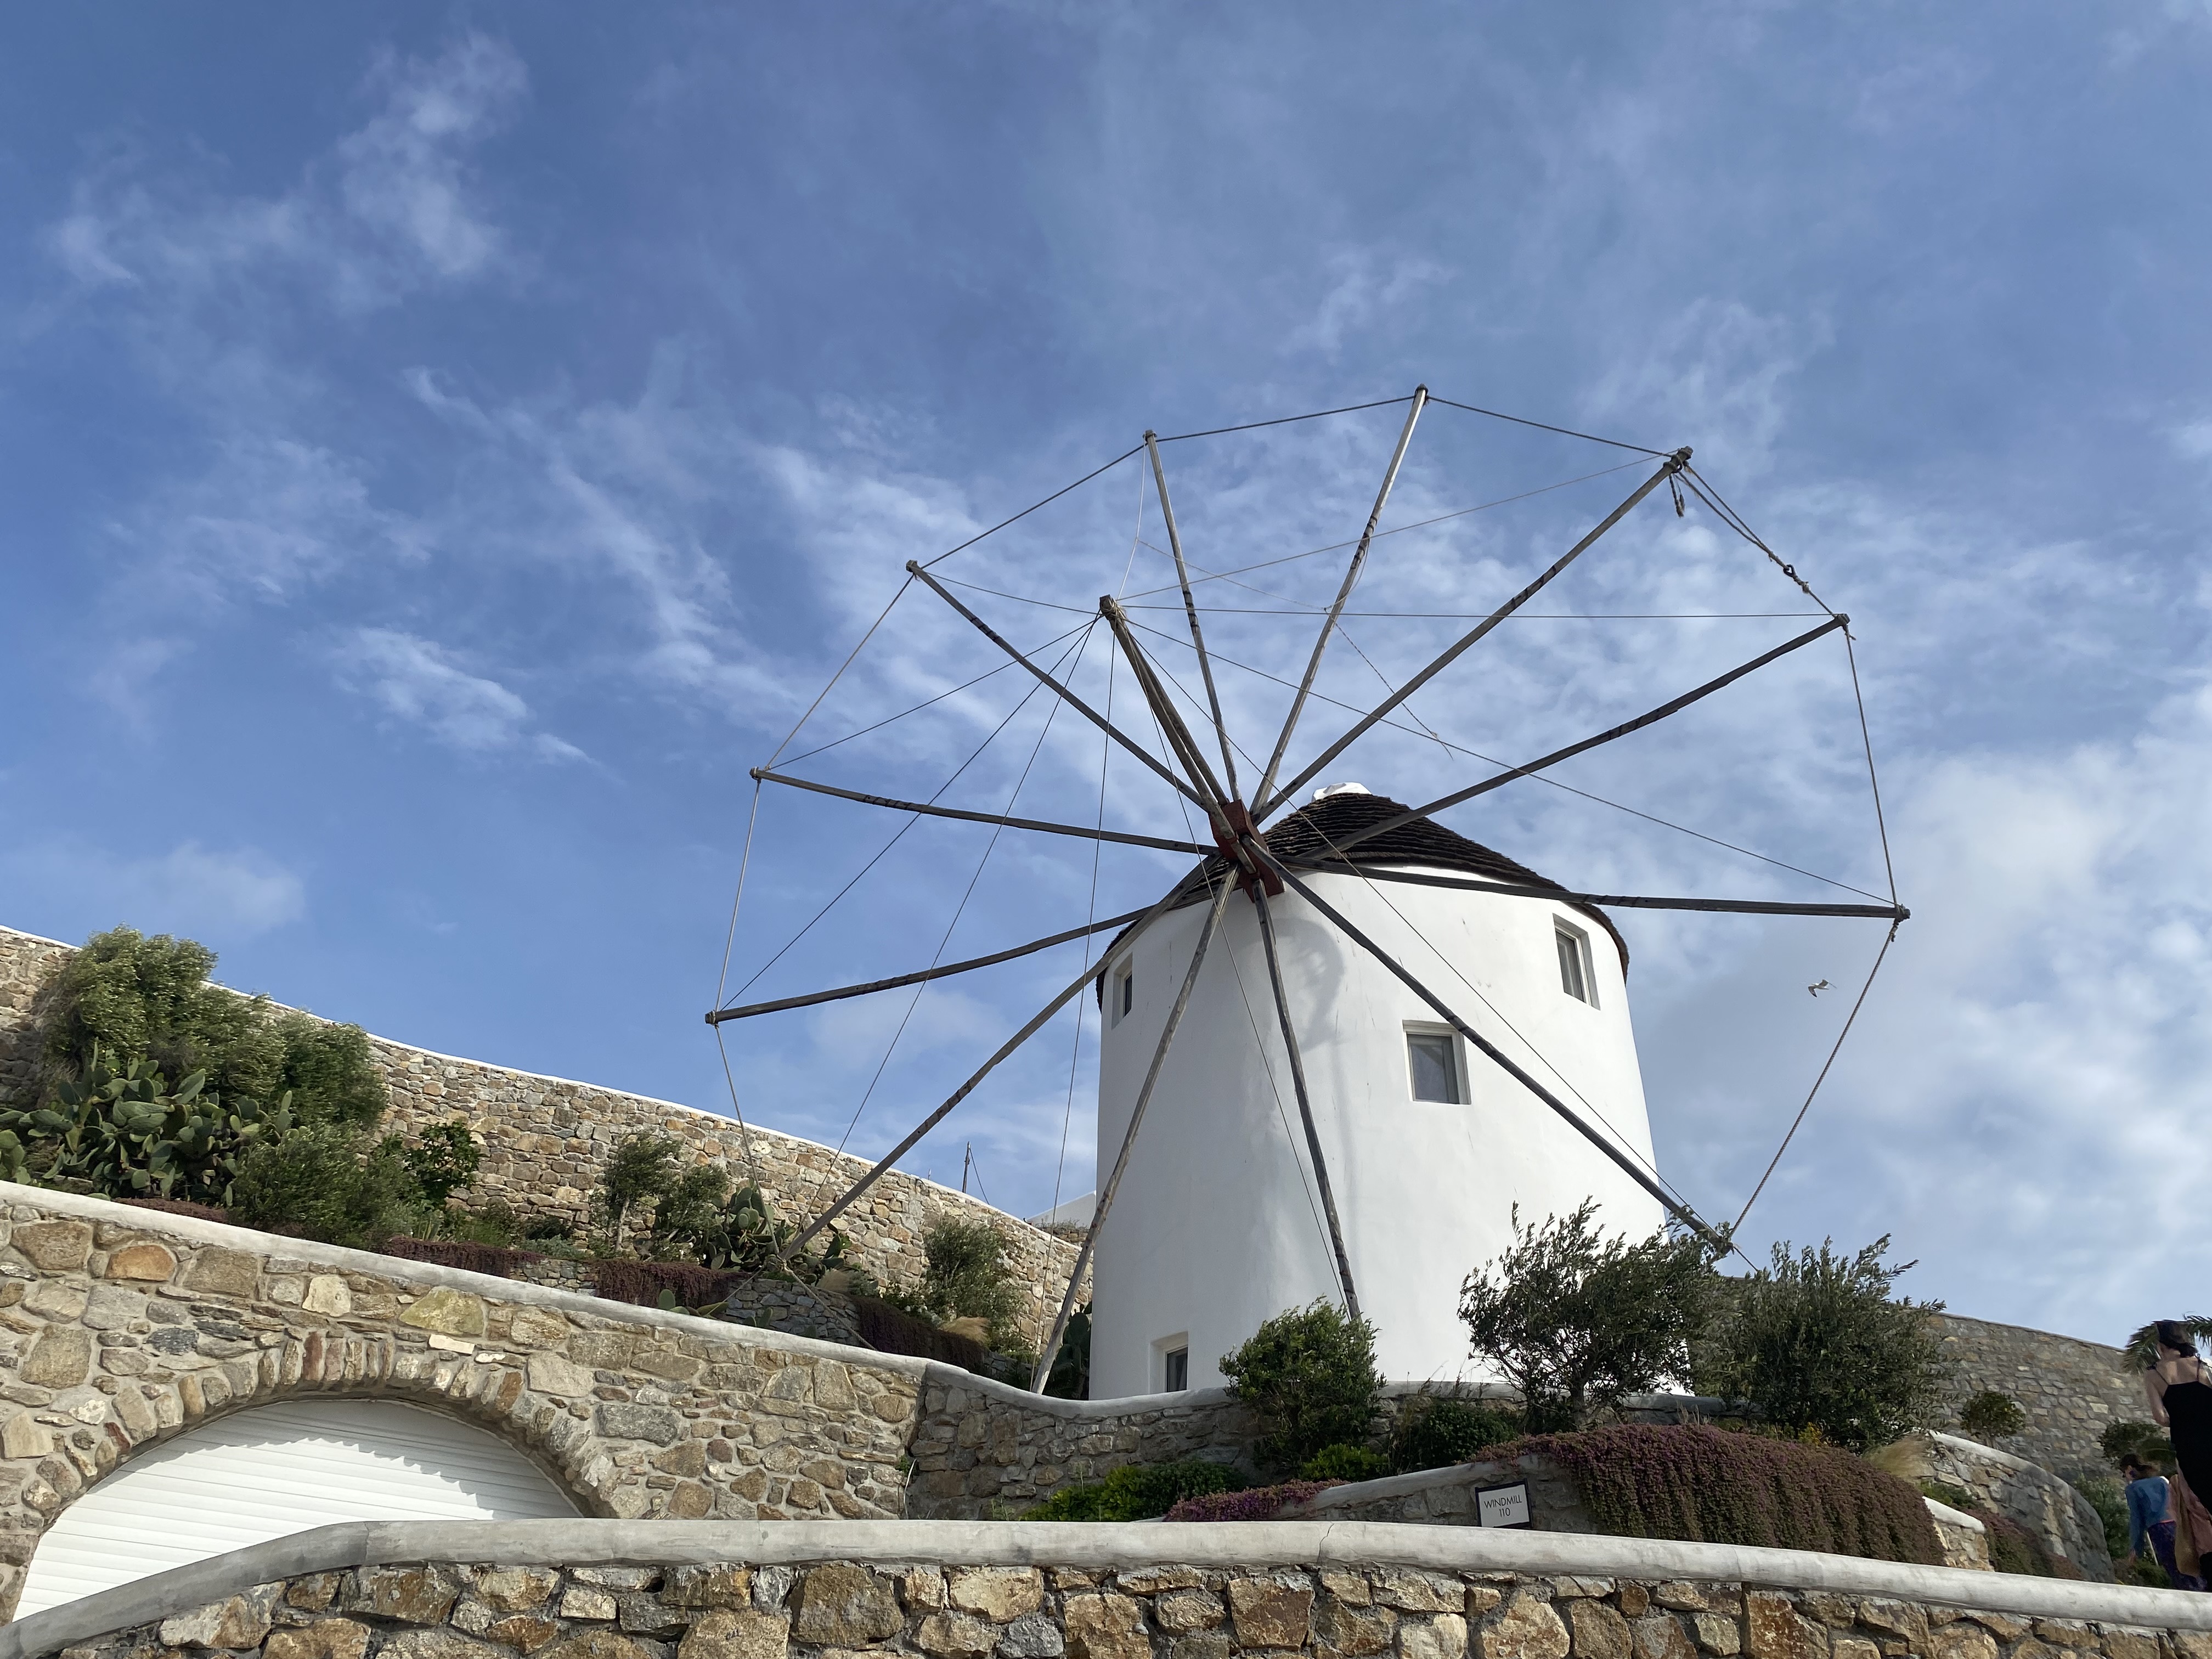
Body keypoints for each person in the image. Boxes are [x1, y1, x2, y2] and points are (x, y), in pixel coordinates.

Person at [2145, 1321, 2212, 1585]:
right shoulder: (2202, 1367)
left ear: (2161, 1346)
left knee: (2200, 1508)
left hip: (2189, 1449)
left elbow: (2161, 1418)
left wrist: (2184, 1420)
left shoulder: (2154, 1374)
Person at [2123, 1454, 2198, 1589]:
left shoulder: (2133, 1489)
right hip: (2178, 1525)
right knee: (2191, 1562)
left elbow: (2136, 1520)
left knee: (2176, 1568)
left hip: (2159, 1530)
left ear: (2129, 1469)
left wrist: (2136, 1548)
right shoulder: (2162, 1481)